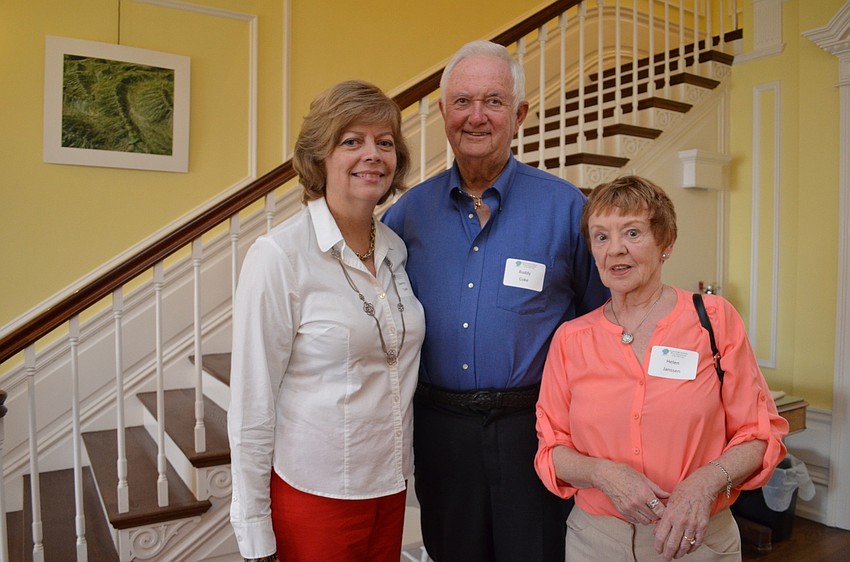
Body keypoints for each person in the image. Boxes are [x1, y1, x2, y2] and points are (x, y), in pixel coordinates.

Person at [382, 40, 609, 562]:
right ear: (443, 113)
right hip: (441, 431)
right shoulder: (406, 217)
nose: (476, 116)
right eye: (462, 102)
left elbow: (601, 323)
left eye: (493, 101)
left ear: (520, 113)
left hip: (534, 430)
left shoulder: (566, 208)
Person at [534, 175, 790, 561]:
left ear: (665, 243)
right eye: (601, 237)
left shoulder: (714, 320)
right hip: (596, 543)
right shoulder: (571, 339)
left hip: (698, 539)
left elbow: (758, 435)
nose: (615, 250)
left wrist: (703, 485)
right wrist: (604, 474)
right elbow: (550, 451)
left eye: (632, 233)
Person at [227, 80, 426, 562]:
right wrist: (254, 531)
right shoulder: (279, 256)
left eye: (384, 142)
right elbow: (252, 403)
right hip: (316, 493)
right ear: (320, 157)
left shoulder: (397, 249)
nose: (371, 155)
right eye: (351, 141)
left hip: (389, 484)